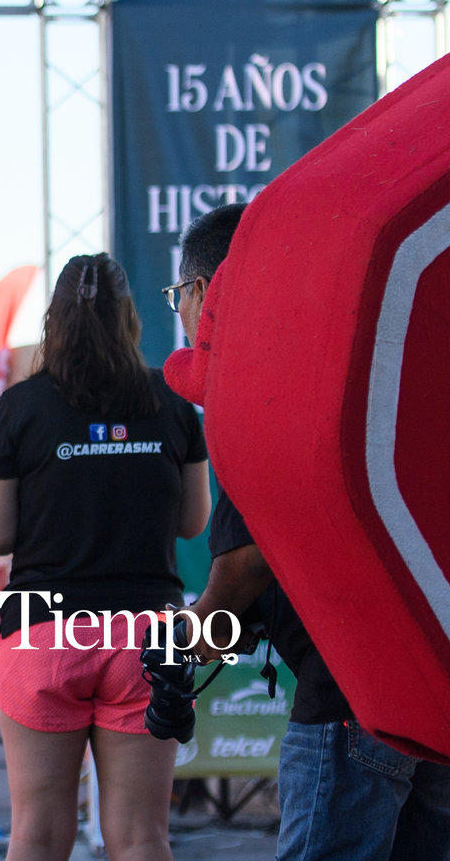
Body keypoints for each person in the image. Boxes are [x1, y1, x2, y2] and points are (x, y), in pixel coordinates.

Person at [170, 202, 450, 861]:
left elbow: (246, 562)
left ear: (205, 292)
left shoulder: (261, 373)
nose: (176, 311)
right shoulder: (359, 350)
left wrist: (189, 642)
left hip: (351, 695)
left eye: (176, 295)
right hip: (431, 684)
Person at [0, 253, 211, 861]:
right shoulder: (173, 401)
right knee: (140, 837)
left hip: (42, 635)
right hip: (147, 640)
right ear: (130, 317)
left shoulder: (22, 406)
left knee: (37, 833)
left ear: (54, 321)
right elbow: (193, 522)